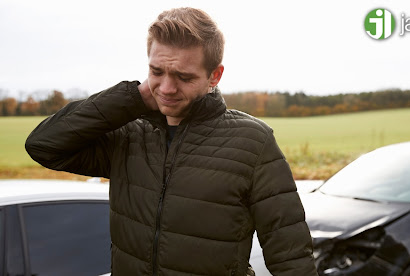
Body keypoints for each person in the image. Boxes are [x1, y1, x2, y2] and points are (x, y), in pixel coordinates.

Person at [25, 7, 318, 276]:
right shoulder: (128, 134)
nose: (166, 88)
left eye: (183, 76)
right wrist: (134, 97)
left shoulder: (254, 141)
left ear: (214, 75)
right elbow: (44, 145)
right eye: (157, 71)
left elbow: (291, 256)